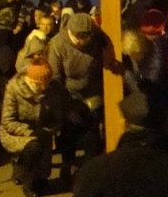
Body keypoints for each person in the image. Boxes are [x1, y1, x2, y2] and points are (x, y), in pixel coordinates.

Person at [46, 12, 116, 176]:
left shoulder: (97, 38)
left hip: (92, 91)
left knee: (91, 132)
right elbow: (55, 78)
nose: (82, 41)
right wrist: (66, 106)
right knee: (68, 131)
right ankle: (67, 163)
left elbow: (108, 44)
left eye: (86, 37)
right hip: (68, 94)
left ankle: (90, 168)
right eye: (78, 37)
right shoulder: (58, 44)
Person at [0, 56, 64, 197]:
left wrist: (51, 129)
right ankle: (29, 183)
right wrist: (29, 131)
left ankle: (41, 178)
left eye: (46, 82)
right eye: (40, 83)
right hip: (16, 131)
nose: (44, 87)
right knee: (34, 146)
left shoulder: (51, 89)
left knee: (43, 140)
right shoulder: (13, 88)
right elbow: (7, 121)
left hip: (41, 129)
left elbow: (57, 116)